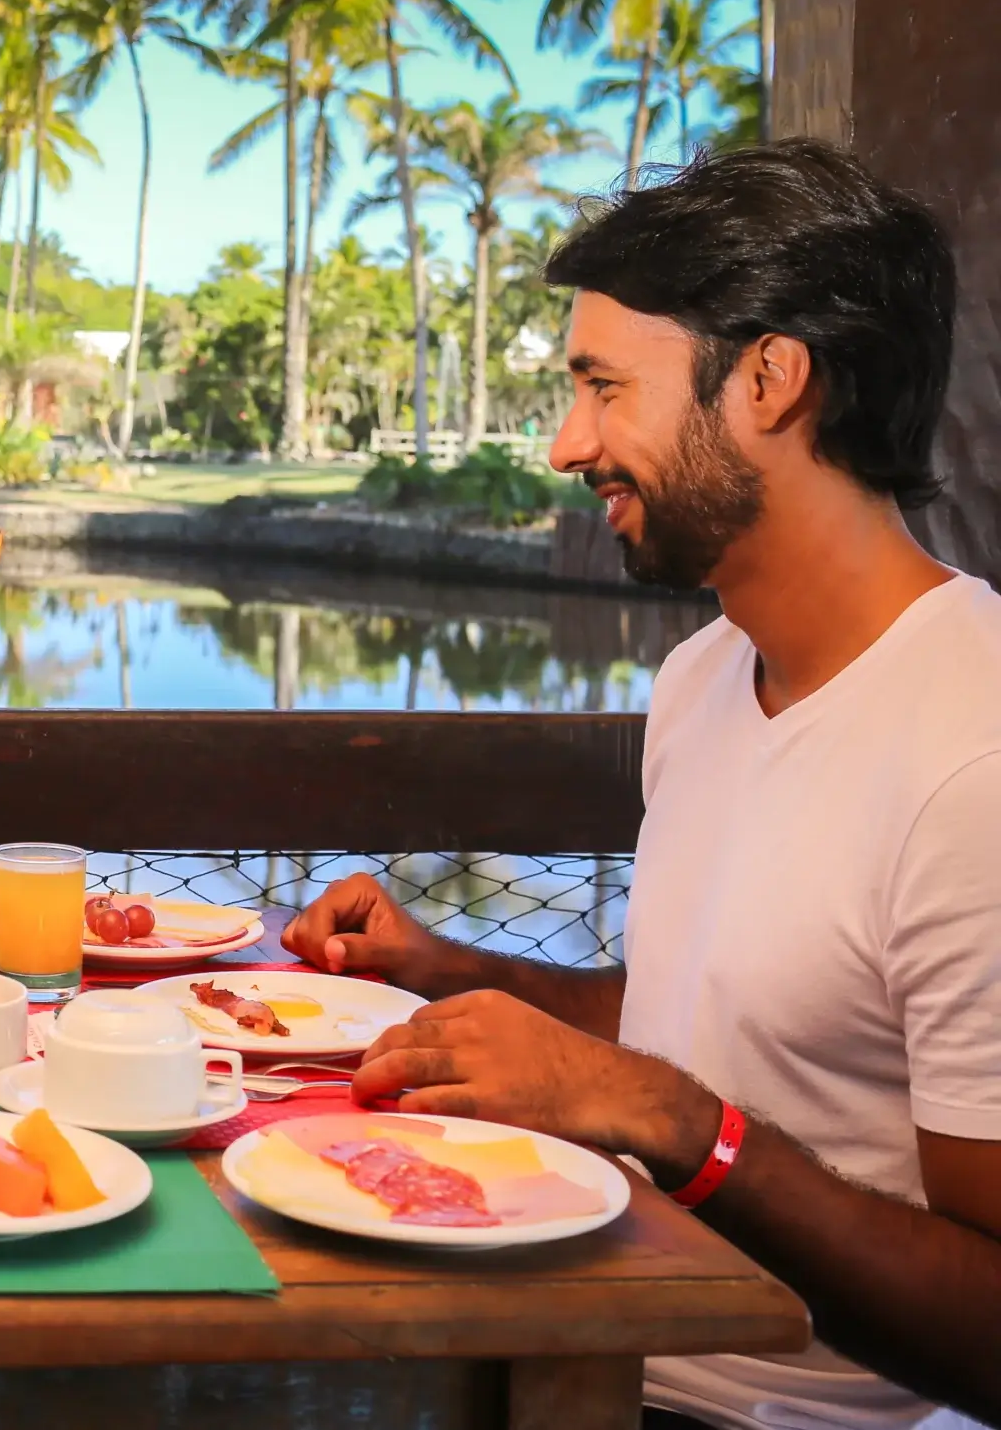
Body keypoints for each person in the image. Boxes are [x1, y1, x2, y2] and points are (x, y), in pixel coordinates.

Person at [286, 141, 1001, 1430]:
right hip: (583, 1332)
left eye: (605, 387)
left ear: (772, 380)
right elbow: (724, 1013)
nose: (569, 444)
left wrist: (681, 1123)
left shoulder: (975, 760)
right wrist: (454, 974)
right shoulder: (705, 675)